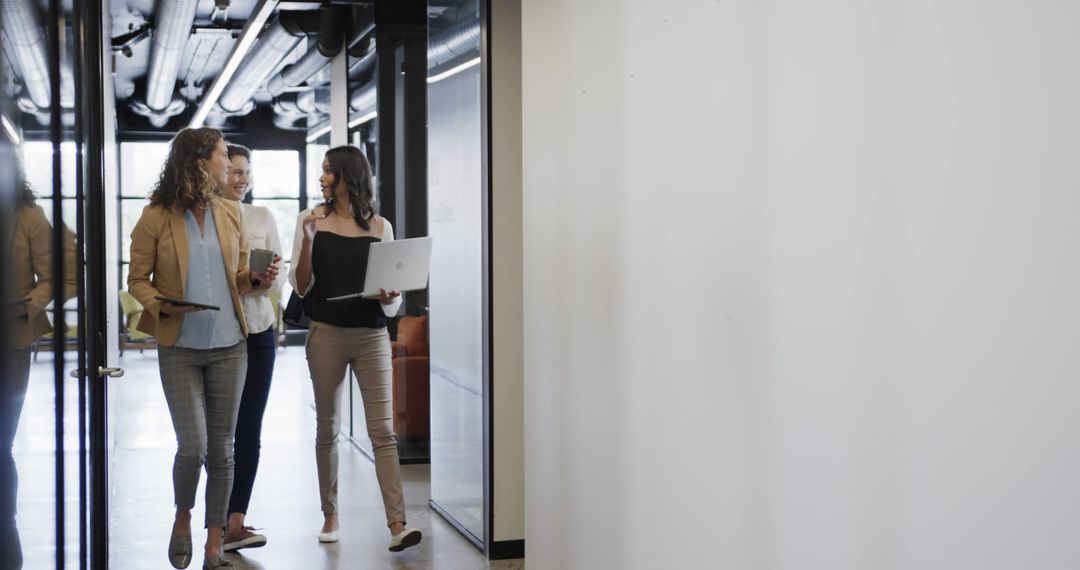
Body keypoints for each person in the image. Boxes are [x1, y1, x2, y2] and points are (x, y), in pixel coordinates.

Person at [127, 128, 278, 570]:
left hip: (230, 344)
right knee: (192, 445)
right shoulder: (155, 216)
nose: (228, 164)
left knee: (223, 448)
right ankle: (182, 517)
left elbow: (238, 276)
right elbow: (137, 279)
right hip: (180, 344)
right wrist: (161, 303)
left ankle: (215, 544)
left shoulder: (230, 213)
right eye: (221, 156)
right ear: (198, 162)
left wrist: (257, 280)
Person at [289, 145, 421, 552]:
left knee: (382, 431)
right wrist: (310, 241)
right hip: (326, 332)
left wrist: (390, 294)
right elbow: (300, 285)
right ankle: (330, 514)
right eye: (322, 169)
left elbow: (393, 303)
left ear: (349, 175)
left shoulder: (381, 226)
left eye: (329, 170)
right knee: (327, 428)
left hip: (371, 335)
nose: (323, 175)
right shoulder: (310, 220)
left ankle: (397, 524)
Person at [219, 144, 282, 552]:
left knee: (249, 428)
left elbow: (278, 283)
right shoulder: (205, 217)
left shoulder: (262, 216)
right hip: (221, 332)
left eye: (247, 172)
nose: (242, 179)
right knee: (218, 432)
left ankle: (236, 522)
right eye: (235, 172)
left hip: (259, 331)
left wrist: (269, 275)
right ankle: (214, 521)